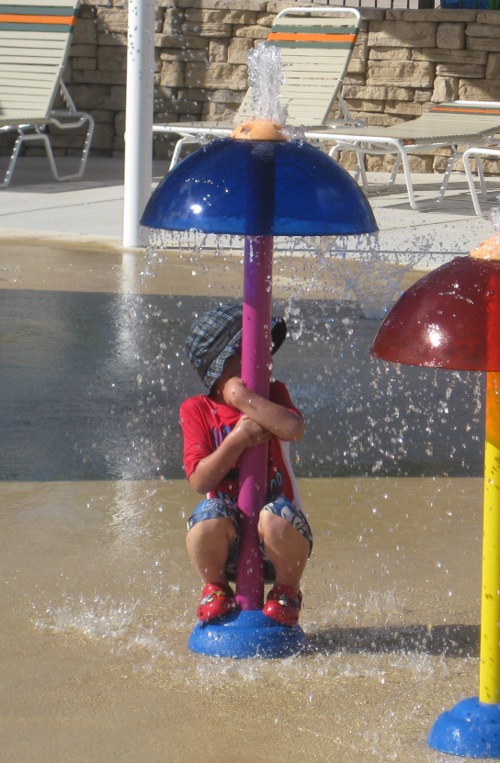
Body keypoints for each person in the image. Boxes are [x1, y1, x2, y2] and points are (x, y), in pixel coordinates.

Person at [179, 304, 312, 627]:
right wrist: (237, 439)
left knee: (274, 516)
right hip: (228, 545)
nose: (269, 360)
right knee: (204, 520)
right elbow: (199, 480)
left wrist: (243, 400)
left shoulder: (273, 395)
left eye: (268, 352)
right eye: (256, 351)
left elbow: (293, 429)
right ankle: (215, 588)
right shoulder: (197, 409)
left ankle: (286, 591)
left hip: (280, 542)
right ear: (223, 369)